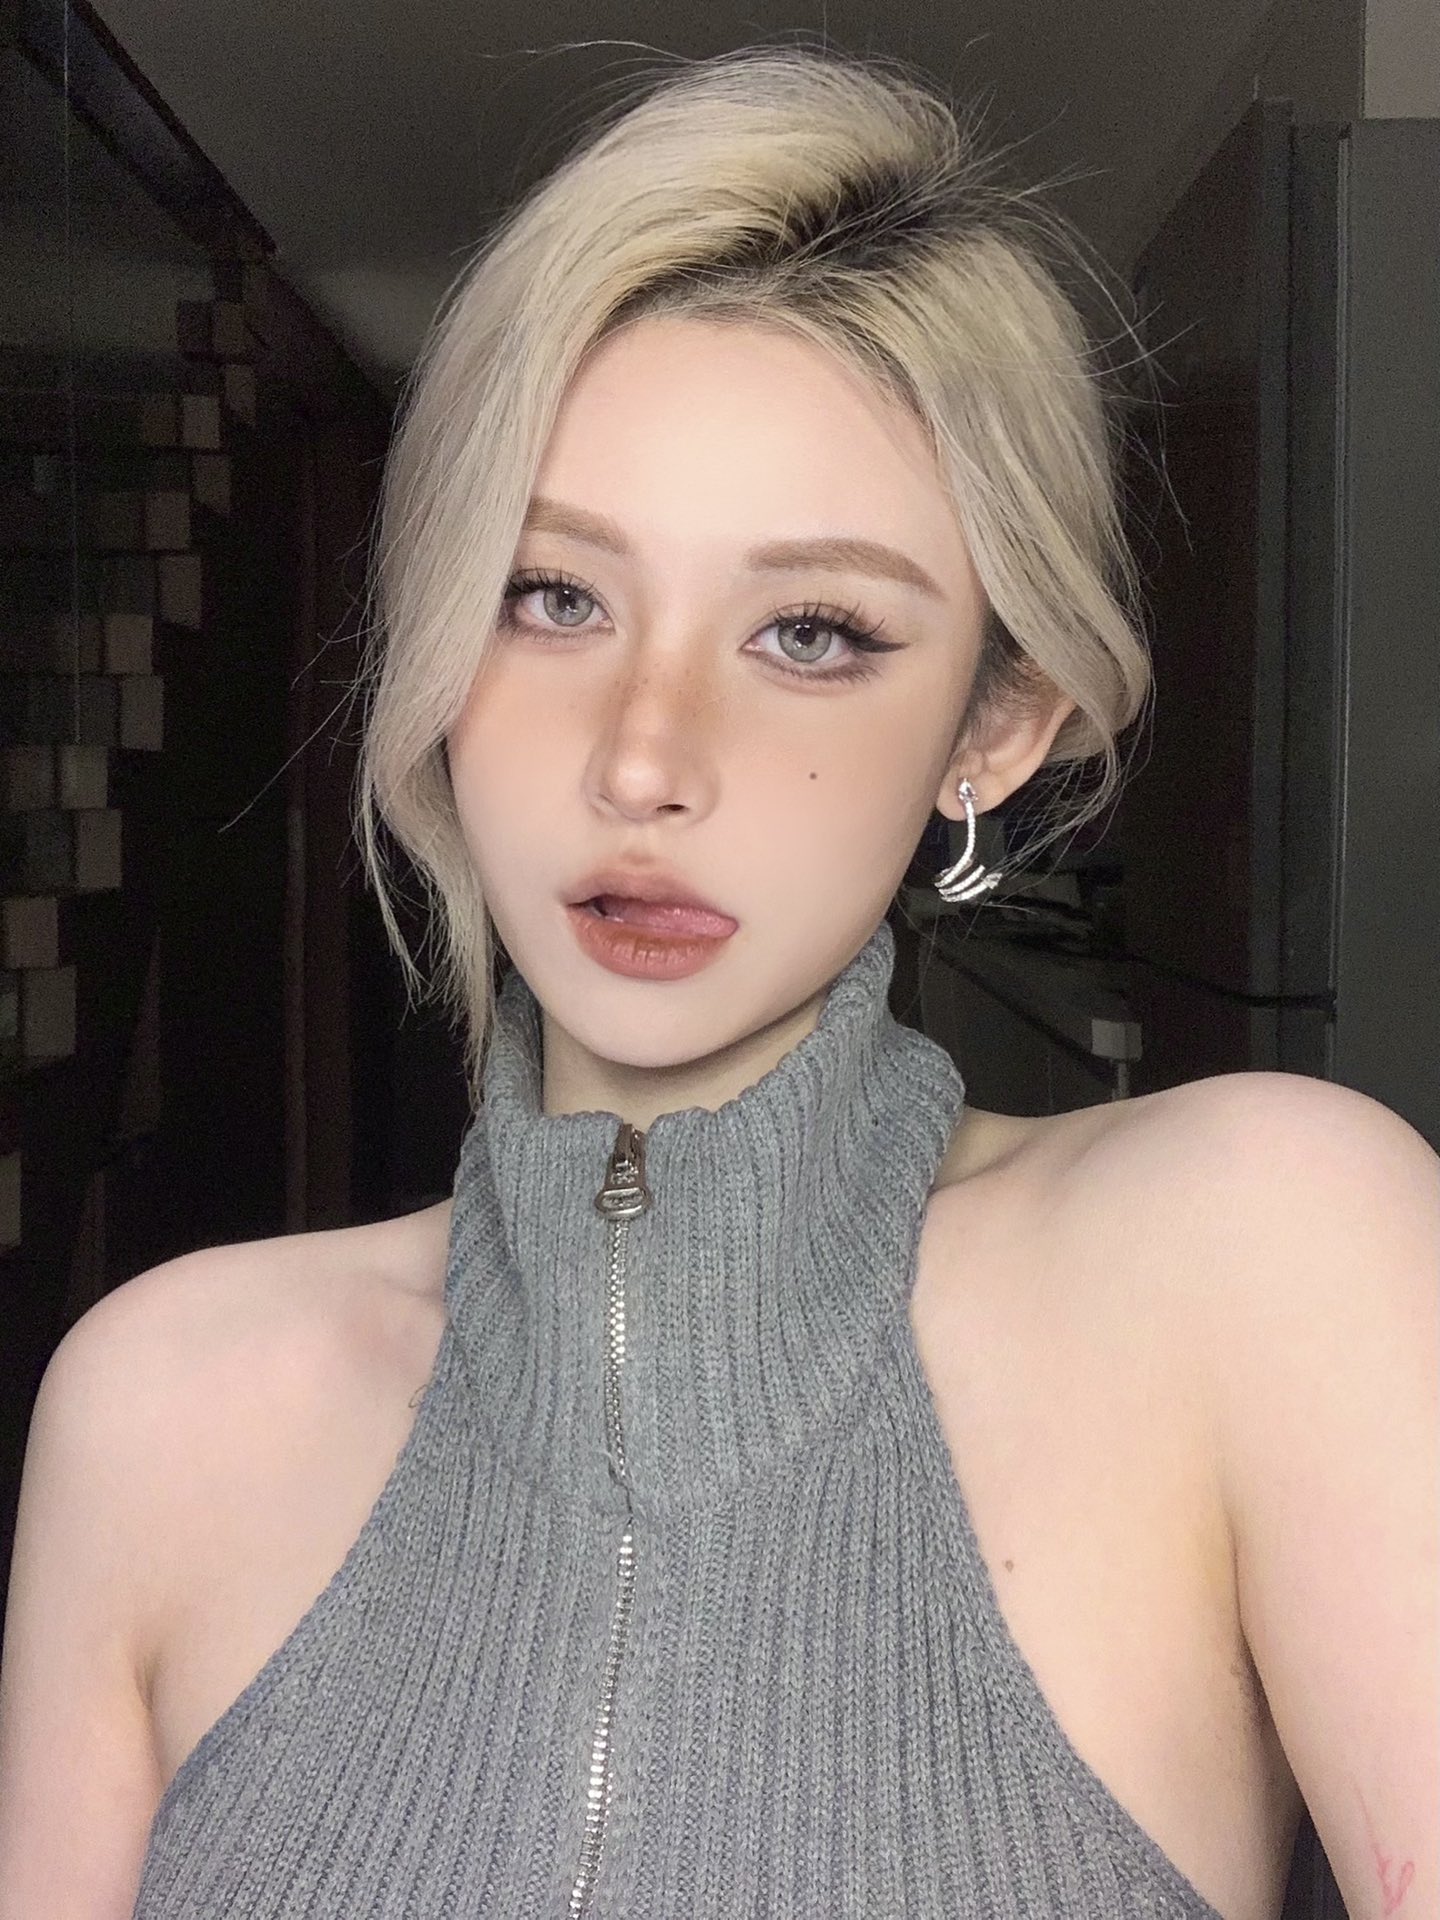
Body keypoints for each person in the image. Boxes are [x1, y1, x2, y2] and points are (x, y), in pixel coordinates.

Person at [1, 42, 1435, 1920]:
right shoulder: (153, 1408)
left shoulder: (1269, 1251)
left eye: (812, 632)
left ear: (993, 725)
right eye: (553, 597)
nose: (644, 758)